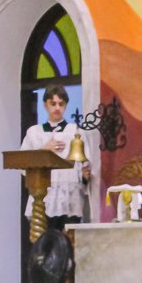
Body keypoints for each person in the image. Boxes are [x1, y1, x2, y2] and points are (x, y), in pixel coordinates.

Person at [19, 85, 94, 230]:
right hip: (43, 195)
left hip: (69, 195)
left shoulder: (75, 132)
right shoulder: (34, 133)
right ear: (45, 105)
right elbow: (23, 163)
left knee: (67, 239)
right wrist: (43, 150)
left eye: (61, 104)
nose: (57, 108)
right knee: (44, 239)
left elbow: (86, 165)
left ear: (65, 106)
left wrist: (85, 176)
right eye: (53, 104)